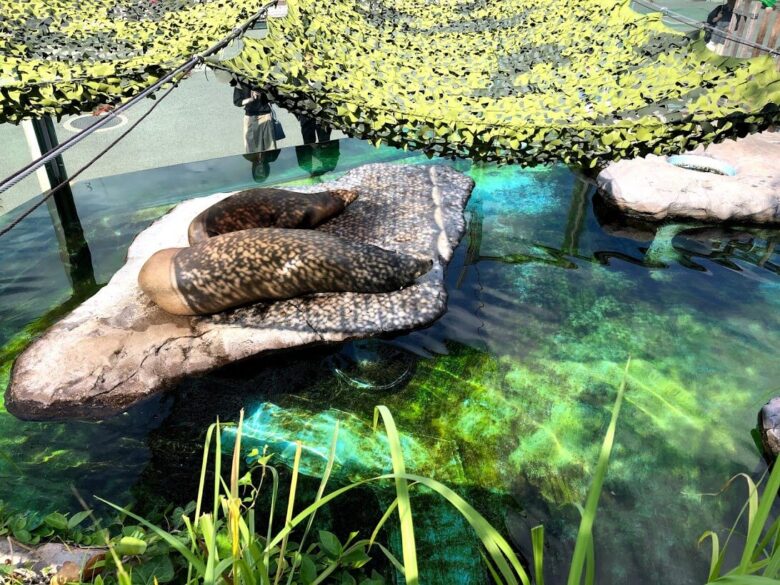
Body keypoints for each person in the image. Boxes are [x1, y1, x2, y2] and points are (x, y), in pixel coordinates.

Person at [232, 79, 276, 154]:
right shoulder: (241, 80)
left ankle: (267, 164)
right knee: (252, 150)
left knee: (270, 149)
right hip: (250, 118)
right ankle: (256, 165)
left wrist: (264, 91)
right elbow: (237, 102)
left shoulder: (264, 78)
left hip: (265, 116)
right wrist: (251, 99)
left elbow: (273, 98)